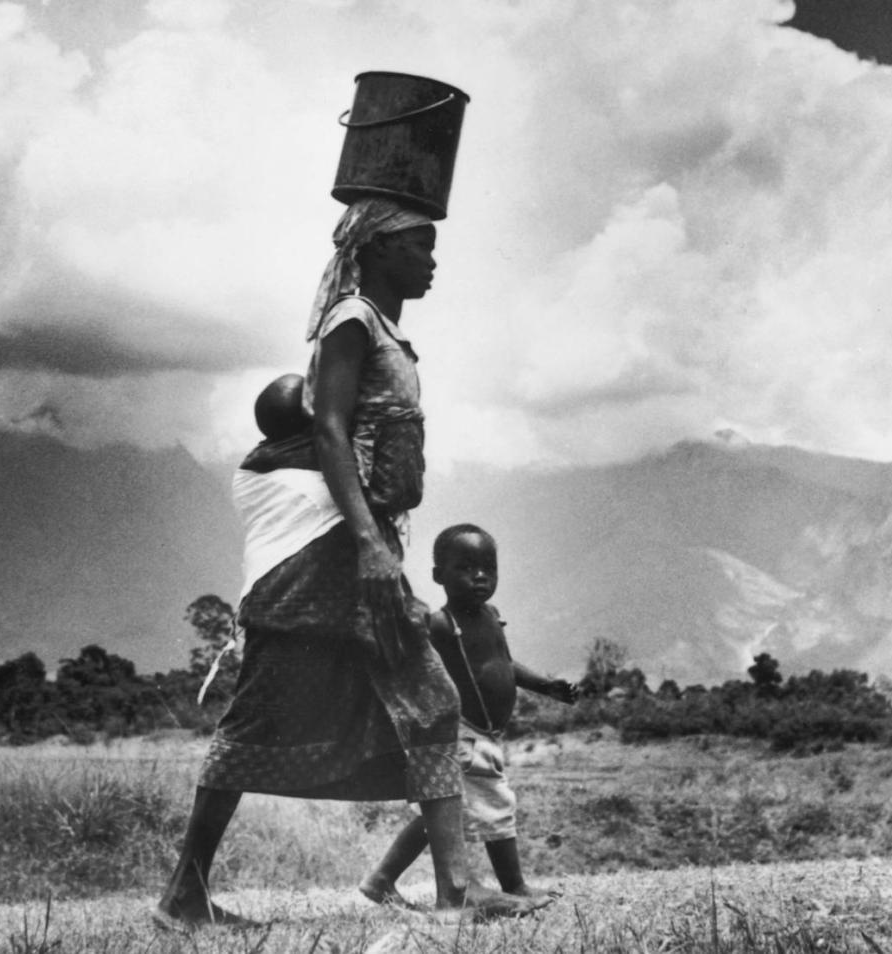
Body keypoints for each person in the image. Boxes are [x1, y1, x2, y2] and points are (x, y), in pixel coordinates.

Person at [158, 199, 544, 927]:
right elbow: (331, 433)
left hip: (363, 545)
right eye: (419, 247)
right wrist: (368, 541)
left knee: (430, 703)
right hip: (332, 554)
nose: (432, 260)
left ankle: (457, 892)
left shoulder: (386, 333)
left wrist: (380, 540)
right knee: (258, 717)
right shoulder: (352, 321)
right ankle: (184, 894)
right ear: (377, 250)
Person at [360, 523, 579, 907]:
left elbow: (504, 664)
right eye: (465, 568)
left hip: (488, 735)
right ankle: (508, 884)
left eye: (487, 568)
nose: (479, 576)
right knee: (468, 808)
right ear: (438, 576)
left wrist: (544, 685)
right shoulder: (442, 625)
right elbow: (410, 664)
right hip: (461, 732)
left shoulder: (492, 616)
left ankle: (387, 879)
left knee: (467, 811)